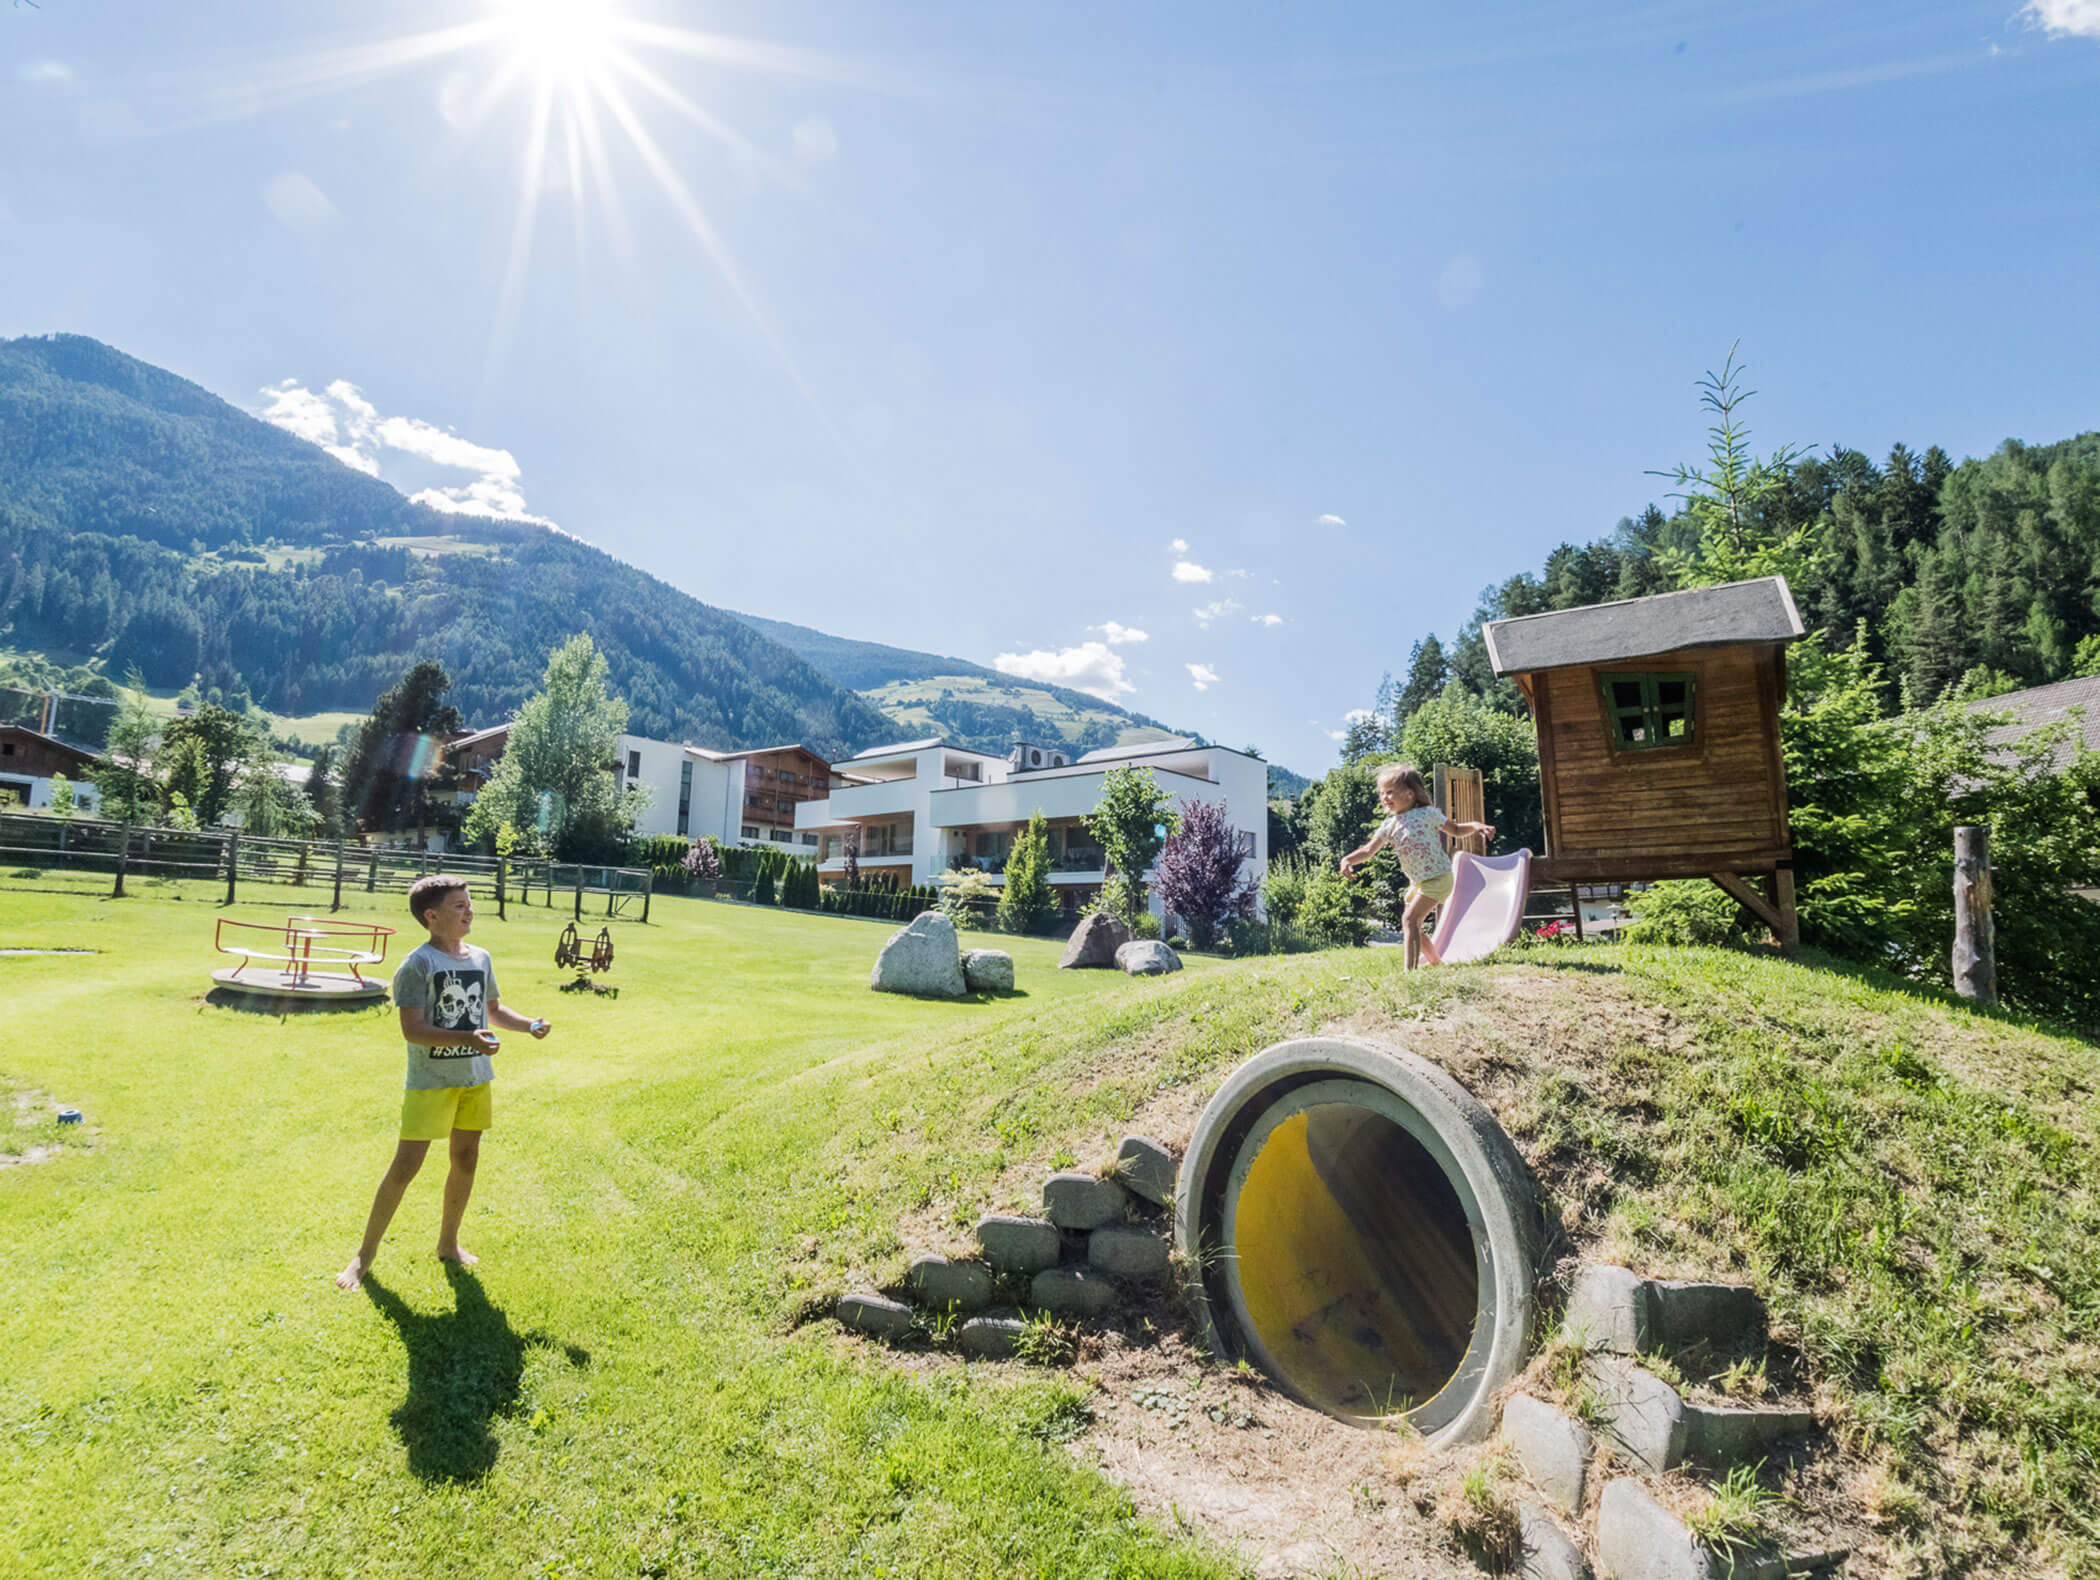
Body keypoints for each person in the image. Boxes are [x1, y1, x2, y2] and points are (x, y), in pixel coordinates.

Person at [336, 874, 550, 1292]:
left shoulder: (480, 958)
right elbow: (413, 1030)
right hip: (431, 1082)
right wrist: (467, 1038)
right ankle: (364, 1257)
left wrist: (529, 1025)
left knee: (466, 1160)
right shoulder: (418, 965)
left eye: (469, 903)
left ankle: (448, 1243)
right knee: (405, 1166)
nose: (469, 911)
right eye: (458, 906)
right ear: (431, 916)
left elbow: (492, 1009)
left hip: (474, 1078)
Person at [1339, 764, 1495, 969]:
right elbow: (1369, 851)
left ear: (1409, 794)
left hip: (1438, 878)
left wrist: (1476, 825)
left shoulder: (1427, 813)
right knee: (1414, 927)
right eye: (1381, 793)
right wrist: (1347, 860)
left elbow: (1455, 830)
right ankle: (1436, 963)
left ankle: (1409, 974)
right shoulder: (1388, 825)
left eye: (1389, 792)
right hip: (1418, 883)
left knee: (1409, 920)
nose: (1384, 797)